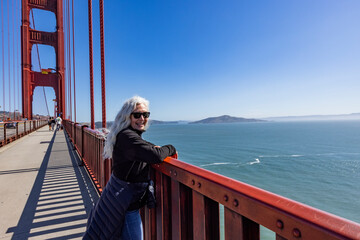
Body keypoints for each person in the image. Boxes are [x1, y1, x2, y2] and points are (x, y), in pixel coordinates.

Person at [83, 96, 176, 240]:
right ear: (128, 116)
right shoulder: (127, 136)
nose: (142, 118)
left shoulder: (127, 135)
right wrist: (171, 148)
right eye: (137, 115)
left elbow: (143, 147)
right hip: (127, 205)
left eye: (145, 115)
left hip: (120, 199)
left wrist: (152, 147)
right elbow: (156, 156)